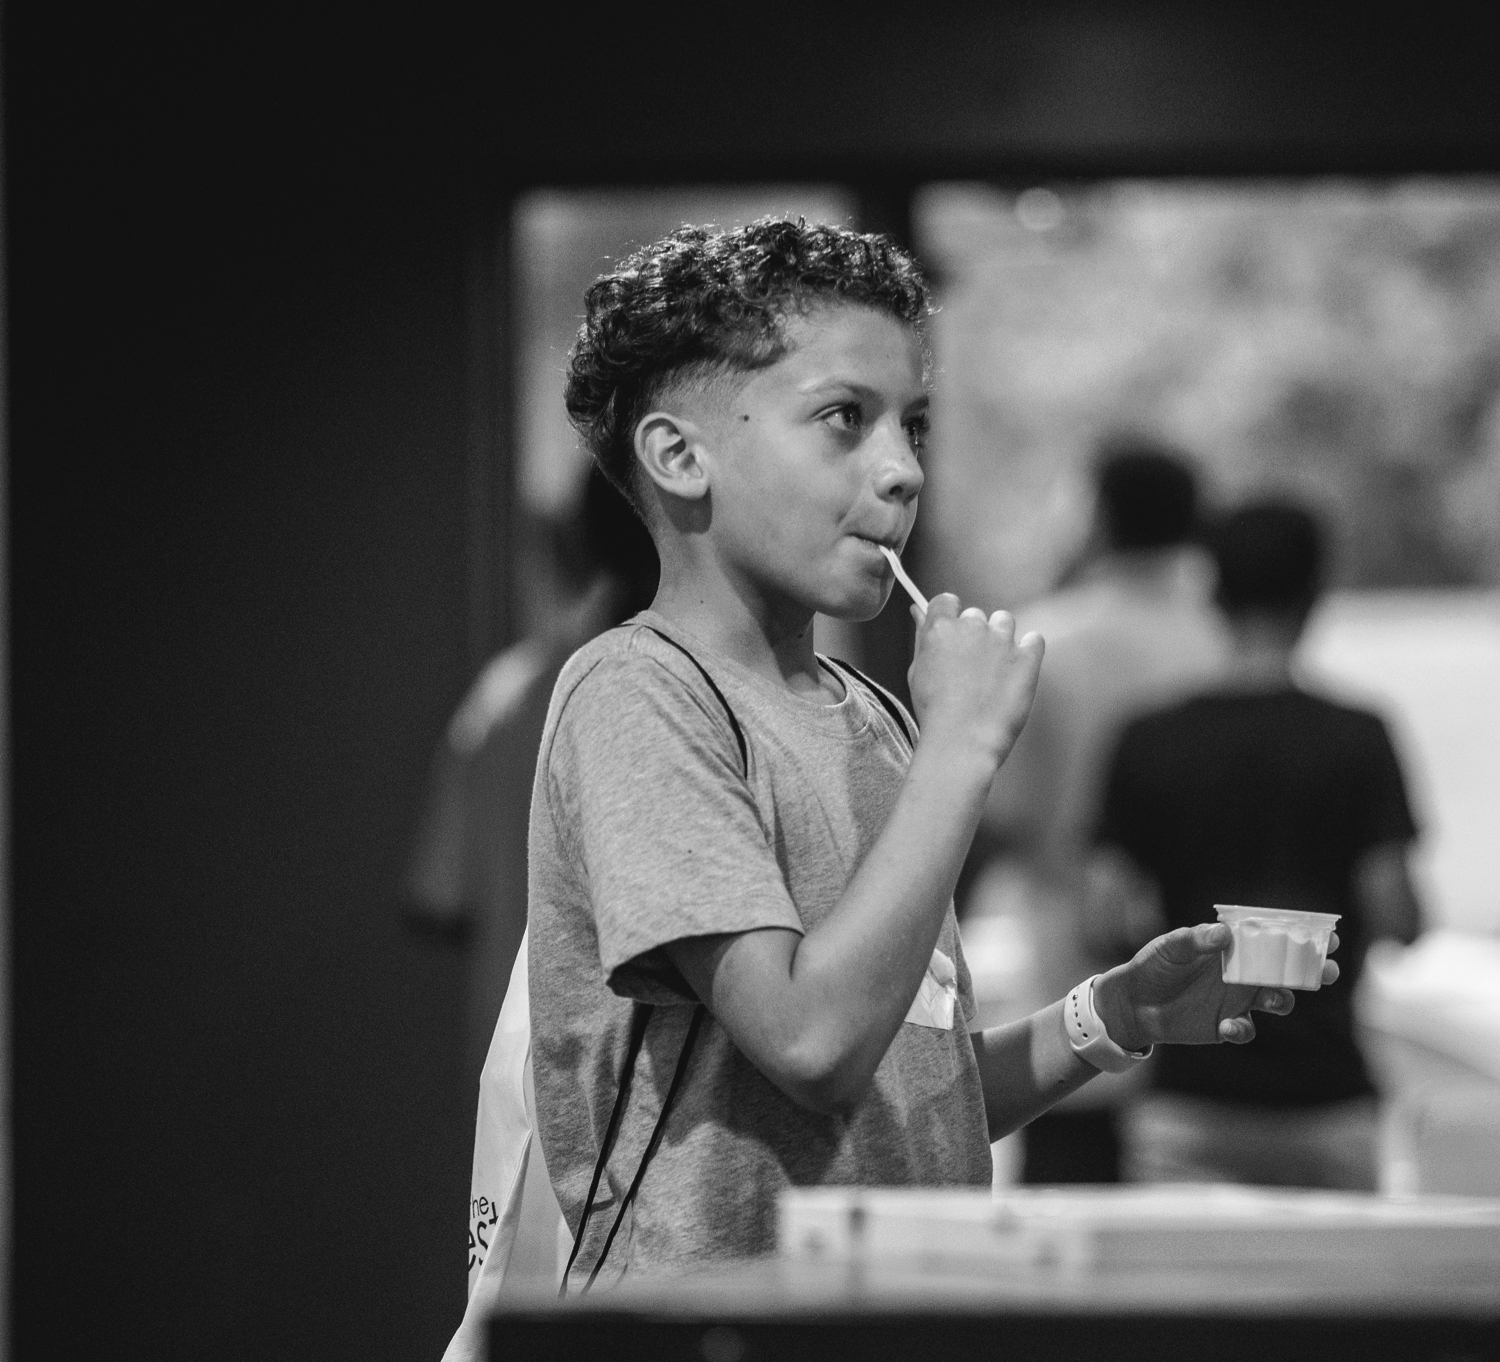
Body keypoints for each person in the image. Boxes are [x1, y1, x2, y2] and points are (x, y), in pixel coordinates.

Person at [527, 218, 1333, 1280]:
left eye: (911, 425)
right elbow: (811, 1043)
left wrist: (1112, 1016)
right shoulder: (638, 691)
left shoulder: (874, 715)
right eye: (842, 420)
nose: (902, 471)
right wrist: (962, 748)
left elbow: (908, 1100)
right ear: (680, 455)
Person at [1095, 500, 1422, 1189]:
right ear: (1313, 597)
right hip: (1329, 1098)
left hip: (1189, 1092)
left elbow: (1102, 918)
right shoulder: (1360, 736)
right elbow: (1396, 911)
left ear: (1213, 595)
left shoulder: (1149, 737)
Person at [976, 444, 1230, 1182]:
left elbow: (1001, 815)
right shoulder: (1221, 639)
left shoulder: (1043, 639)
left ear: (1098, 518)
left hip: (1067, 997)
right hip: (1210, 1001)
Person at [405, 466, 657, 1073]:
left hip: (523, 1079)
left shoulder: (502, 701)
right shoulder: (692, 700)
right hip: (654, 1100)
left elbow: (441, 898)